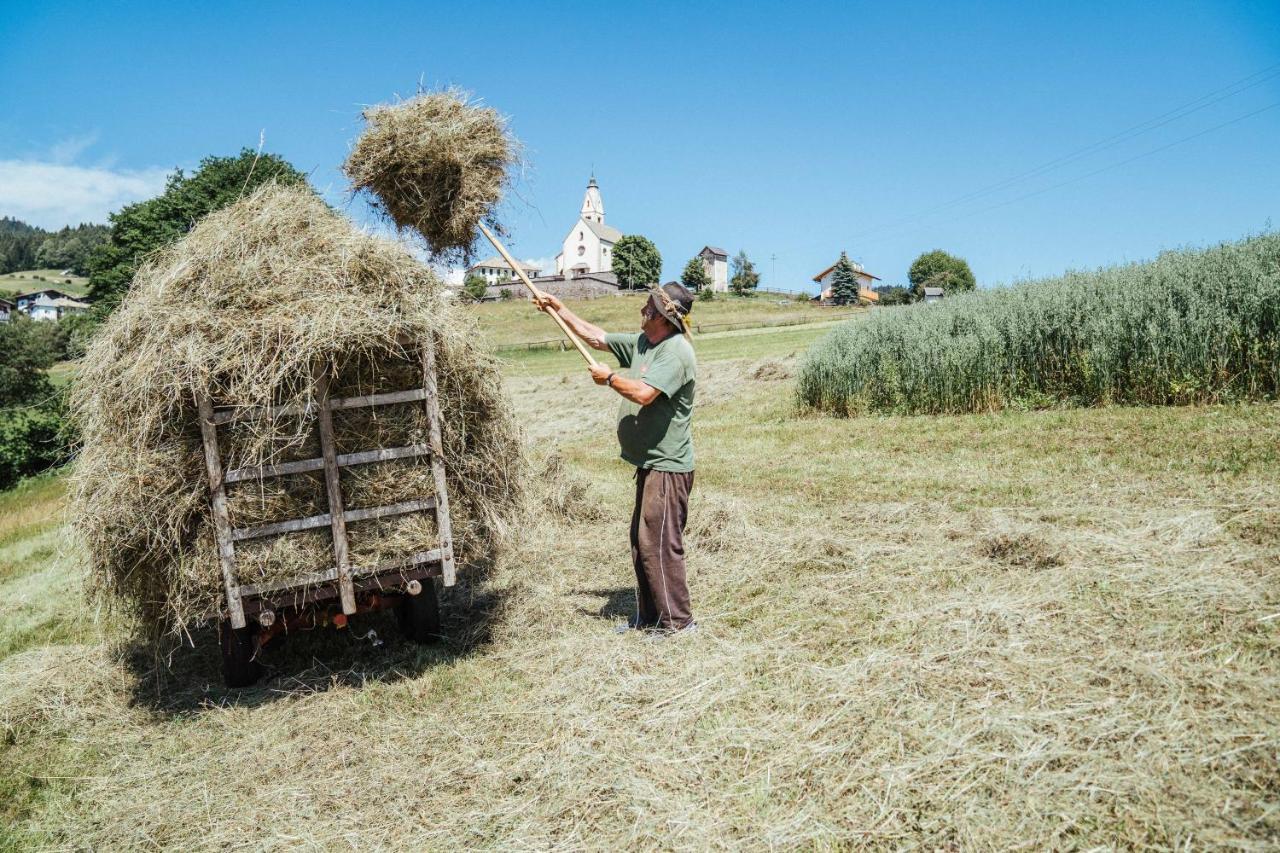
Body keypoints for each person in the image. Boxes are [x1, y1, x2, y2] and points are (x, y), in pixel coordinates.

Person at [534, 283, 698, 634]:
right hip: (649, 463)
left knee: (659, 543)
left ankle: (679, 624)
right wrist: (558, 308)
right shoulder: (644, 343)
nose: (642, 310)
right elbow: (597, 337)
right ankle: (650, 618)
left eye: (647, 306)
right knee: (641, 541)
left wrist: (610, 378)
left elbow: (644, 393)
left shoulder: (676, 351)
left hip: (668, 465)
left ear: (661, 316)